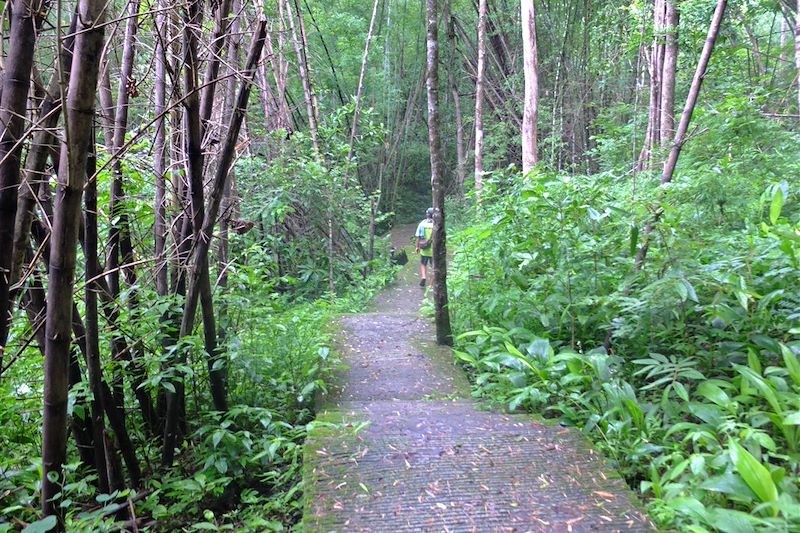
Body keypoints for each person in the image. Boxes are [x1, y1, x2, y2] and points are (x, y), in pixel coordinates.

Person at [415, 208, 434, 287]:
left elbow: (418, 237)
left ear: (427, 214)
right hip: (434, 250)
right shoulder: (436, 224)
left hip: (424, 249)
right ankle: (431, 285)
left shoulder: (422, 223)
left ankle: (423, 277)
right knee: (433, 267)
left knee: (423, 264)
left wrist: (417, 247)